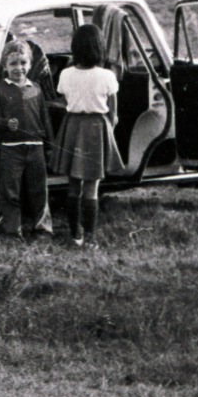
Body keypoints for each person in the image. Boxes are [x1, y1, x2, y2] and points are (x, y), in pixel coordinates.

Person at [51, 23, 122, 246]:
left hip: (72, 127)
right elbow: (114, 113)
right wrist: (107, 132)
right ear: (100, 48)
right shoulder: (107, 76)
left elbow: (64, 101)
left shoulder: (65, 74)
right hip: (97, 128)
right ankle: (90, 238)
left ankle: (75, 235)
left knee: (73, 184)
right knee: (92, 186)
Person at [0, 40, 52, 240]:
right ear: (4, 66)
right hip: (11, 148)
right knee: (10, 191)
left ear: (30, 65)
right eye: (13, 64)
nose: (19, 68)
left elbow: (45, 118)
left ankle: (42, 229)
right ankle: (13, 231)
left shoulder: (36, 89)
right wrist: (5, 124)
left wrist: (49, 146)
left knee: (39, 190)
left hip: (35, 147)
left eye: (23, 63)